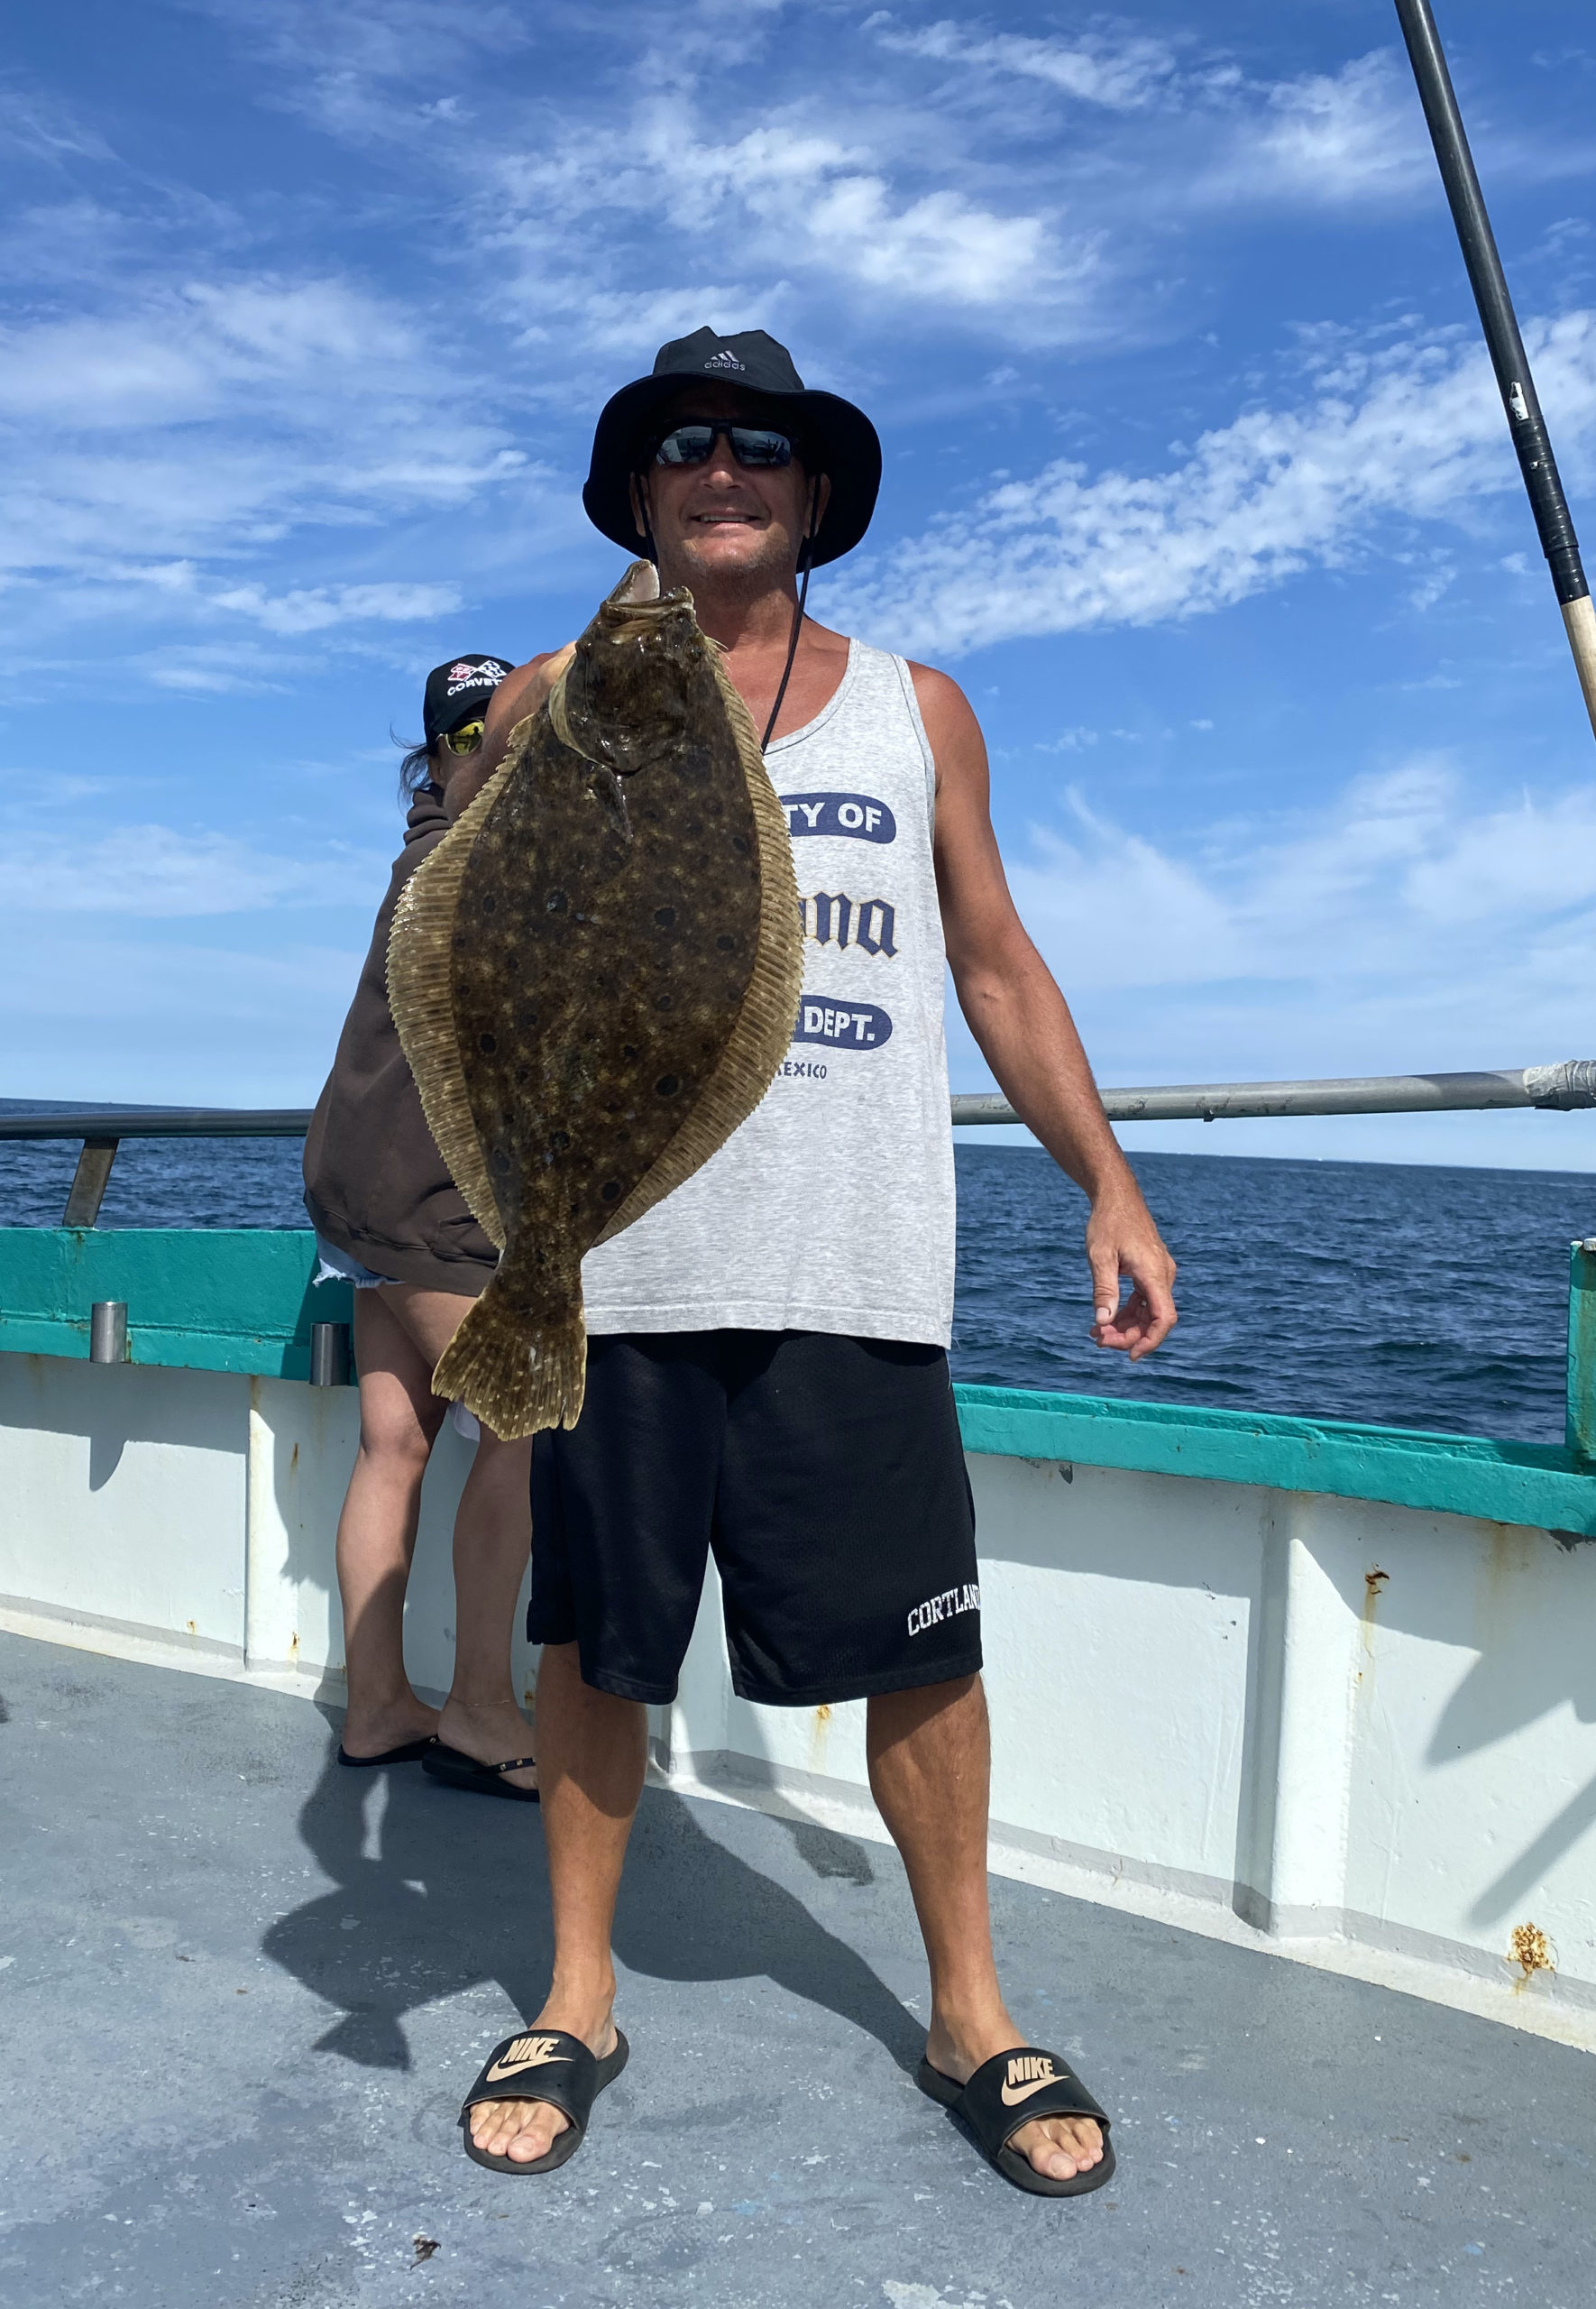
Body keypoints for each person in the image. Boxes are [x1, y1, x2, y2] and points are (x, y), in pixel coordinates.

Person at [454, 330, 1179, 2190]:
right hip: (617, 1263)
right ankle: (578, 1985)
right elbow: (467, 950)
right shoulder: (552, 698)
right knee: (595, 1639)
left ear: (817, 493)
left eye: (761, 444)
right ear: (639, 490)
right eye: (685, 440)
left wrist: (1107, 1179)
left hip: (856, 1262)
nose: (723, 463)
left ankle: (970, 2005)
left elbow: (995, 959)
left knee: (922, 1657)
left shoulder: (917, 708)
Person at [304, 653, 559, 1802]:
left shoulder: (415, 851)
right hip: (429, 1189)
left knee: (392, 1446)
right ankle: (480, 1709)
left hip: (355, 1177)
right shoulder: (477, 849)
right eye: (476, 738)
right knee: (525, 1429)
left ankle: (376, 1707)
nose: (486, 754)